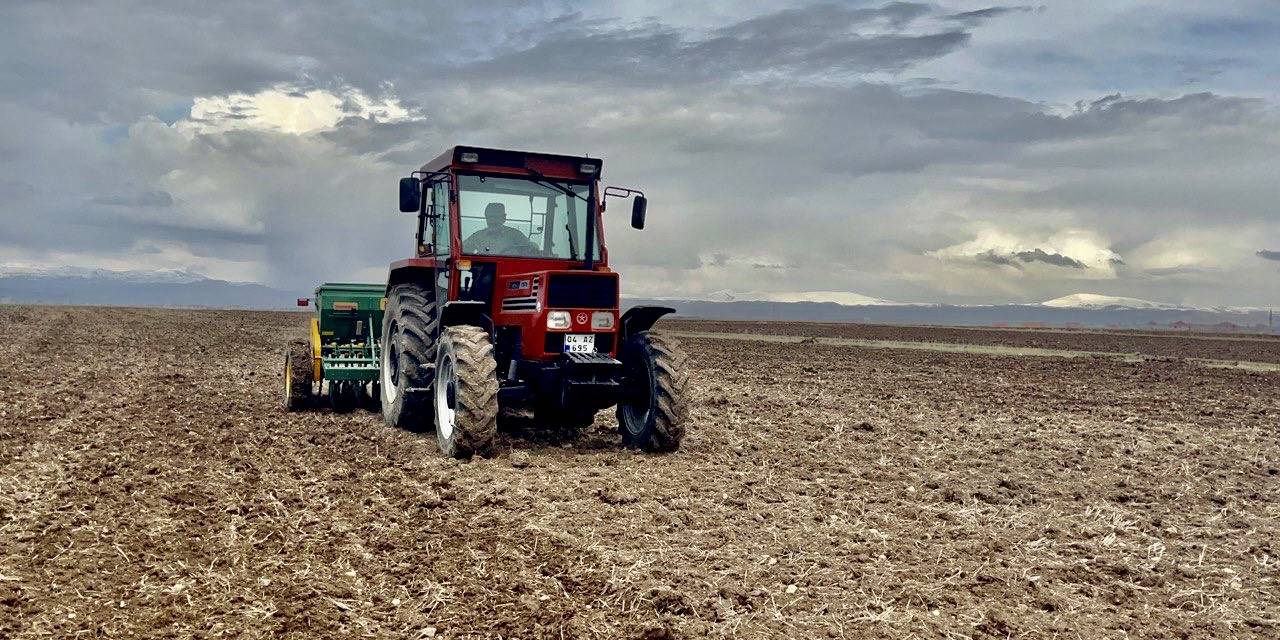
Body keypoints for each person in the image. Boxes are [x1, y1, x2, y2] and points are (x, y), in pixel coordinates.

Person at [463, 202, 538, 255]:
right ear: (486, 217)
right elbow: (462, 249)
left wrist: (533, 248)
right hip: (484, 274)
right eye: (490, 217)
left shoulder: (515, 235)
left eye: (496, 217)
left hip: (509, 272)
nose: (493, 221)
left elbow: (532, 248)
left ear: (504, 218)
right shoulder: (478, 236)